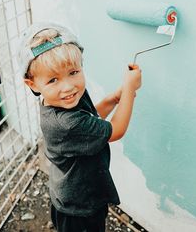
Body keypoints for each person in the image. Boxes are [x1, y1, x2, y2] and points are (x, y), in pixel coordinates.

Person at [17, 22, 142, 232]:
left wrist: (114, 98)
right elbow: (116, 129)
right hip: (79, 208)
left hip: (74, 192)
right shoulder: (65, 124)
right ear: (33, 85)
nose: (67, 86)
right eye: (53, 80)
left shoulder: (63, 98)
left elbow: (91, 117)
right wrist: (129, 88)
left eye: (73, 72)